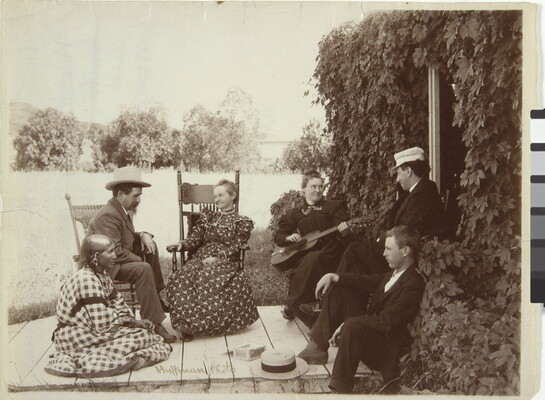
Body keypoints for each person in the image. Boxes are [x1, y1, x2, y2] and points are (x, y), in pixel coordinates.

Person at [297, 225, 425, 393]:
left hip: (384, 350)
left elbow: (387, 320)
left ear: (405, 251)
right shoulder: (393, 274)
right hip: (371, 333)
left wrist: (346, 324)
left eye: (388, 249)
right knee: (339, 289)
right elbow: (367, 280)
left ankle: (340, 391)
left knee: (352, 326)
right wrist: (334, 276)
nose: (383, 253)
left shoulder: (413, 283)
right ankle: (317, 346)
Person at [45, 235, 172, 378]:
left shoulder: (102, 275)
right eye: (110, 252)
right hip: (74, 334)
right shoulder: (86, 279)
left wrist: (133, 322)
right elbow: (102, 323)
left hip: (97, 329)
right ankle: (126, 360)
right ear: (96, 257)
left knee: (147, 335)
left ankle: (130, 358)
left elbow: (118, 303)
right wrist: (126, 323)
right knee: (143, 338)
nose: (115, 256)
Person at [88, 166, 176, 343]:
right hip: (104, 266)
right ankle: (154, 323)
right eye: (136, 196)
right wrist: (141, 260)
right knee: (143, 268)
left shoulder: (120, 210)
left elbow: (124, 237)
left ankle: (156, 298)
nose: (139, 200)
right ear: (121, 193)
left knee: (150, 246)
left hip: (114, 260)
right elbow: (115, 252)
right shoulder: (108, 215)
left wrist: (143, 235)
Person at [165, 179, 258, 340]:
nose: (217, 199)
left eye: (221, 195)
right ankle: (186, 325)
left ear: (233, 196)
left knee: (206, 279)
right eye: (215, 196)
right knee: (180, 278)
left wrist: (218, 258)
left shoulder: (242, 222)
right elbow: (195, 238)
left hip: (225, 260)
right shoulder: (208, 217)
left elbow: (237, 246)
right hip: (201, 257)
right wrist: (182, 245)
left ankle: (210, 325)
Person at [333, 147, 446, 279]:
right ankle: (346, 290)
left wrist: (383, 240)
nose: (397, 179)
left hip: (406, 253)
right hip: (400, 248)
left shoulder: (423, 193)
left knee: (353, 251)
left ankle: (335, 286)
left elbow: (409, 229)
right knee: (357, 261)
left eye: (398, 173)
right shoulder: (417, 191)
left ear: (408, 171)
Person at [273, 170, 352, 326]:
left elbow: (347, 238)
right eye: (313, 186)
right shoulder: (296, 213)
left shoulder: (332, 207)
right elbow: (279, 236)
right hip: (307, 251)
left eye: (320, 186)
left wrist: (344, 232)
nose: (317, 190)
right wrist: (289, 237)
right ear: (304, 189)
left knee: (313, 260)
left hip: (332, 250)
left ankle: (293, 304)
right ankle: (299, 306)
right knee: (307, 261)